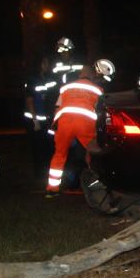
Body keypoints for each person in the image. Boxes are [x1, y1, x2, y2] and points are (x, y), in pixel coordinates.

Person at [46, 65, 102, 198]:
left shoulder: (67, 87)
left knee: (59, 154)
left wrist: (55, 127)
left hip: (64, 122)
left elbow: (57, 107)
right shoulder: (98, 90)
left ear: (80, 75)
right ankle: (97, 184)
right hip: (85, 123)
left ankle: (52, 189)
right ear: (93, 76)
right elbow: (100, 112)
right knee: (93, 153)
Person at [23, 55, 54, 182]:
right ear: (40, 64)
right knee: (38, 148)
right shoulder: (31, 80)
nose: (47, 65)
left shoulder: (46, 79)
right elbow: (29, 101)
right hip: (35, 122)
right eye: (45, 62)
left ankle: (45, 172)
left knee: (47, 147)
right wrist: (35, 121)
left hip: (46, 120)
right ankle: (39, 175)